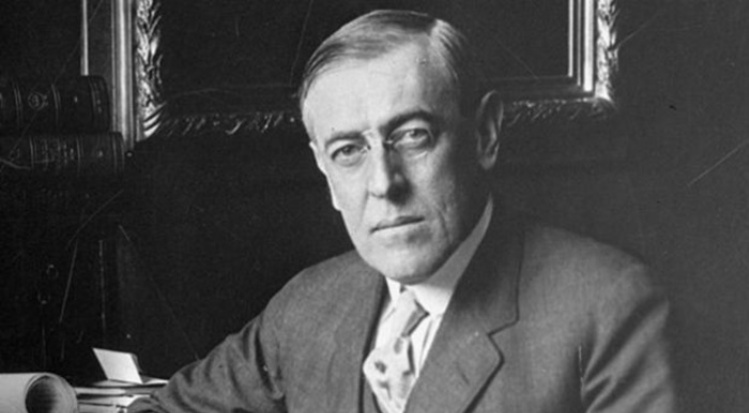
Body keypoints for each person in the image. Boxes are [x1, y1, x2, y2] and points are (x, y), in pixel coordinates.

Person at [128, 9, 677, 413]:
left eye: (413, 136)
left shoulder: (606, 306)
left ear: (485, 135)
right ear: (324, 171)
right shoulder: (309, 305)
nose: (383, 184)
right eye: (349, 151)